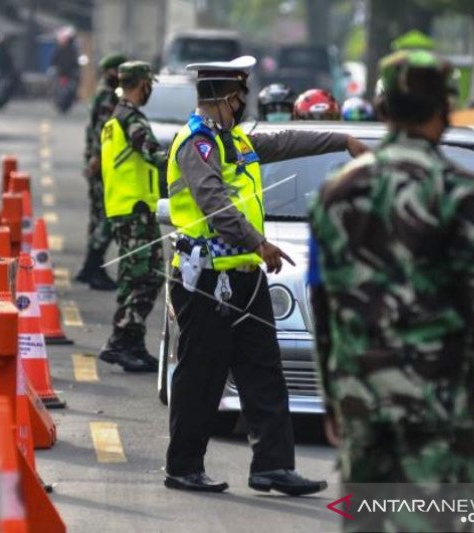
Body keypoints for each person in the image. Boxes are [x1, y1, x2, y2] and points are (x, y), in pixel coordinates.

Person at [308, 49, 474, 532]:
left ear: (381, 108)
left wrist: (331, 396)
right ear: (446, 109)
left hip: (361, 398)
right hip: (437, 402)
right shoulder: (462, 191)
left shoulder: (337, 191)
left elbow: (325, 301)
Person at [164, 56, 368, 495]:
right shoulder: (196, 145)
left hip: (244, 279)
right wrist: (259, 242)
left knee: (264, 373)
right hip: (205, 283)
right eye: (239, 98)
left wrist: (342, 140)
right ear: (223, 98)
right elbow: (214, 203)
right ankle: (183, 466)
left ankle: (272, 467)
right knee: (202, 377)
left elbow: (285, 141)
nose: (242, 106)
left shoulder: (232, 139)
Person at [98, 61, 167, 373]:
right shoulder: (132, 120)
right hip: (136, 211)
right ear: (143, 84)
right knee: (148, 277)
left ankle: (133, 343)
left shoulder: (113, 120)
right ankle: (119, 341)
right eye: (149, 83)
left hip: (122, 209)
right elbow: (154, 154)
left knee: (131, 277)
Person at [75, 52, 128, 291]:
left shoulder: (103, 93)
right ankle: (93, 267)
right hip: (103, 166)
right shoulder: (108, 96)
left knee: (98, 217)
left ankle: (90, 268)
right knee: (106, 218)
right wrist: (97, 158)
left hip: (98, 163)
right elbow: (103, 131)